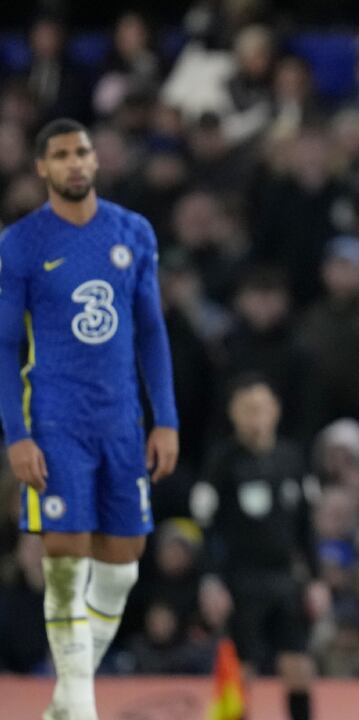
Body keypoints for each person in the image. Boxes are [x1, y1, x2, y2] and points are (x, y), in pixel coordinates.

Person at [0, 117, 179, 720]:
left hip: (123, 421)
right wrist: (16, 434)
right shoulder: (21, 243)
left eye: (82, 152)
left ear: (96, 161)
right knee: (65, 559)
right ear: (42, 169)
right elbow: (4, 346)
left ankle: (64, 698)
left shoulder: (133, 231)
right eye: (61, 155)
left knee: (122, 570)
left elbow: (152, 330)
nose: (75, 162)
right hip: (55, 420)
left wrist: (166, 419)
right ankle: (79, 705)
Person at [190, 375, 324, 720]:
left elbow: (306, 526)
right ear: (234, 413)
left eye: (262, 408)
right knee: (240, 672)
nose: (256, 417)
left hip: (284, 579)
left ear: (275, 411)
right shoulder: (221, 462)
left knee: (298, 666)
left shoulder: (292, 458)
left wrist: (317, 579)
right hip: (239, 581)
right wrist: (210, 580)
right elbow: (205, 527)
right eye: (248, 410)